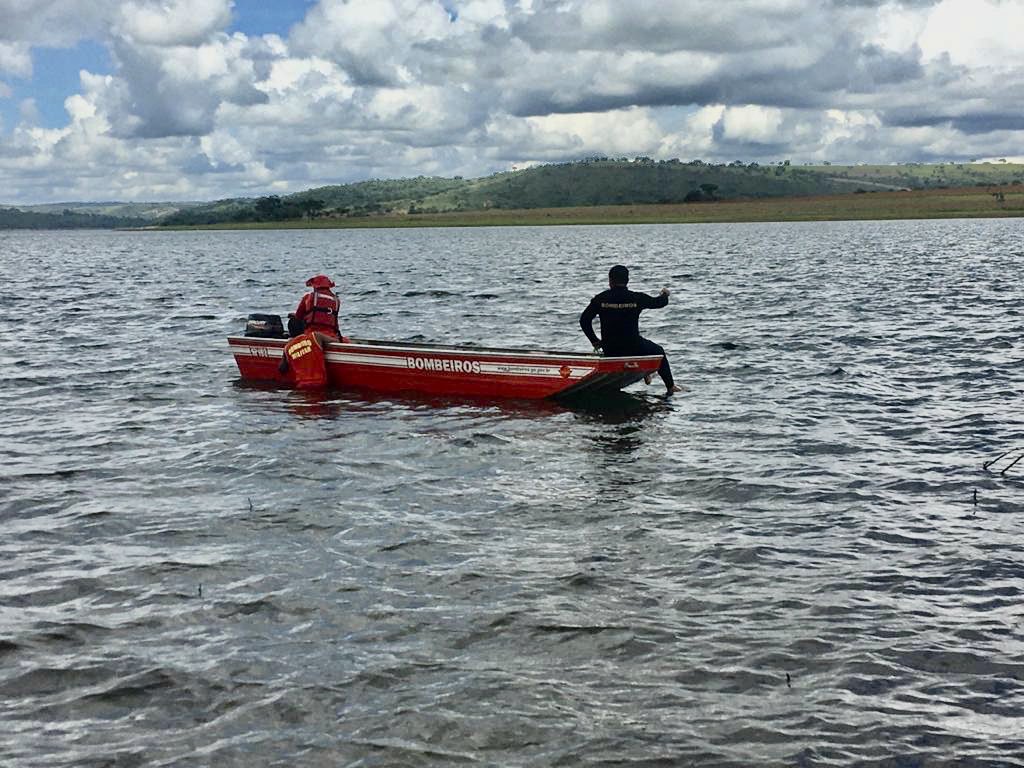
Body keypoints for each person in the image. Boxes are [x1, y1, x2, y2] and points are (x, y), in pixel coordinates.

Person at [580, 264, 680, 395]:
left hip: (610, 349)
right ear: (627, 280)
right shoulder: (636, 298)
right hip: (634, 347)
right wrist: (665, 294)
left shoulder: (601, 299)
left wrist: (594, 341)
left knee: (639, 347)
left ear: (610, 281)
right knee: (659, 352)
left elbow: (584, 320)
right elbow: (659, 303)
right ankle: (670, 386)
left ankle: (645, 373)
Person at [289, 274, 341, 339]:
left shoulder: (308, 297)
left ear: (315, 286)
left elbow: (298, 317)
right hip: (331, 336)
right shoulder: (336, 301)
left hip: (312, 334)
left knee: (293, 320)